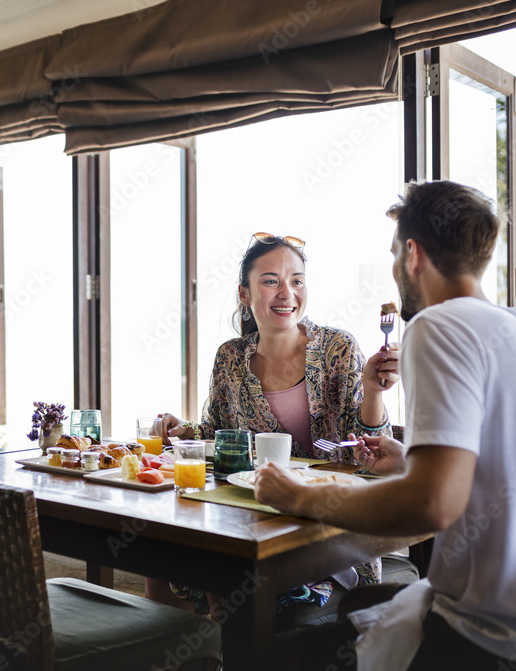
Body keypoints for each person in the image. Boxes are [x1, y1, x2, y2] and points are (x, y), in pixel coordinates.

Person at [255, 181, 516, 670]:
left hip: (497, 635)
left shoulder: (438, 326)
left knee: (276, 654)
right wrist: (410, 460)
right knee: (357, 608)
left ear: (413, 254)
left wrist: (299, 497)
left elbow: (432, 503)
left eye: (393, 256)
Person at [152, 232, 399, 621]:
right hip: (251, 518)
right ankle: (204, 650)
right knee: (166, 561)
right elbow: (215, 433)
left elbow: (371, 452)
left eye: (296, 280)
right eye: (271, 281)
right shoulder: (230, 358)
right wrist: (182, 430)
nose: (287, 293)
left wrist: (372, 391)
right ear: (245, 294)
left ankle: (228, 641)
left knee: (237, 591)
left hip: (322, 528)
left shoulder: (339, 349)